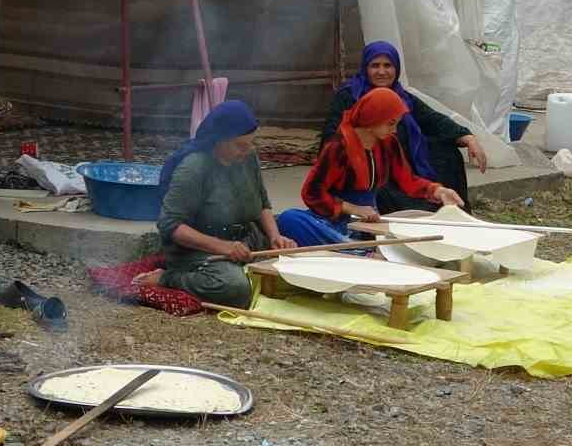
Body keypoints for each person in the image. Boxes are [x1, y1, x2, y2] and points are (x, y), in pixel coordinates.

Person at [131, 100, 297, 308]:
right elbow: (170, 225)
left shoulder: (248, 157)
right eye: (240, 145)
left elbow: (262, 202)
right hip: (199, 252)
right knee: (237, 288)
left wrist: (275, 237)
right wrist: (223, 247)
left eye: (251, 143)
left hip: (247, 241)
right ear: (219, 141)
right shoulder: (194, 168)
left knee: (293, 270)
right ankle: (169, 278)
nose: (248, 150)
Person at [320, 41, 486, 213]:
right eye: (375, 66)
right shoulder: (349, 96)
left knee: (447, 154)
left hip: (402, 161)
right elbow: (331, 137)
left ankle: (452, 211)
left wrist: (468, 138)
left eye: (388, 65)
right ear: (365, 68)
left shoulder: (402, 96)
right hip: (368, 166)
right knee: (379, 184)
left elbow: (432, 119)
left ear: (396, 68)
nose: (382, 72)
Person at [282, 88, 463, 245]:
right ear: (371, 120)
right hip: (333, 219)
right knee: (289, 219)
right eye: (390, 123)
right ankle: (353, 249)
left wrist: (438, 191)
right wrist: (353, 209)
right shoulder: (339, 147)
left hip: (368, 220)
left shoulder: (389, 143)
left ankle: (355, 249)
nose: (394, 130)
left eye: (397, 123)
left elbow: (407, 179)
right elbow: (312, 192)